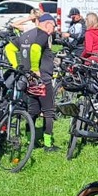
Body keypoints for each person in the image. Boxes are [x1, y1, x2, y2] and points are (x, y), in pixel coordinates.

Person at [19, 13, 59, 152]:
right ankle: (48, 144)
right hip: (43, 80)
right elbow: (36, 49)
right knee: (48, 112)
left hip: (31, 80)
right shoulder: (43, 35)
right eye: (53, 26)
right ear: (48, 24)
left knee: (33, 111)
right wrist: (35, 69)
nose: (54, 29)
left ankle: (30, 140)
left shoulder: (30, 34)